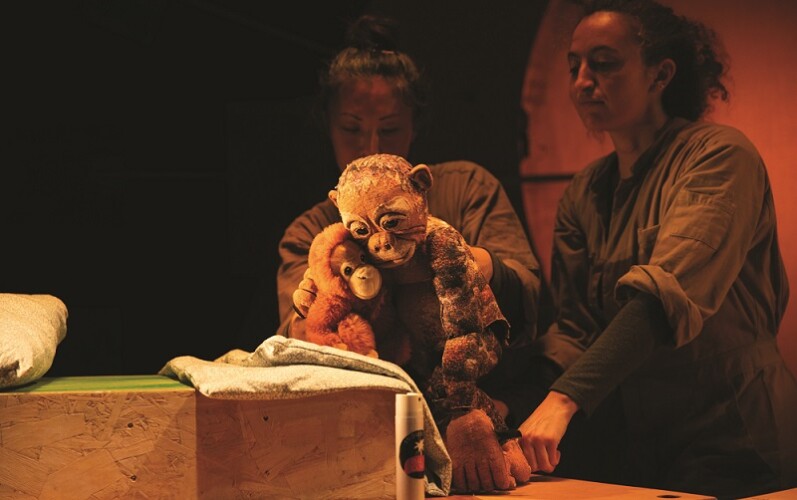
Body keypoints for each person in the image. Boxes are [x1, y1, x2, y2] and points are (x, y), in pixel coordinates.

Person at [517, 1, 797, 498]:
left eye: (604, 63)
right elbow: (576, 330)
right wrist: (508, 403)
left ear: (661, 74)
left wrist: (563, 400)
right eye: (574, 66)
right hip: (647, 442)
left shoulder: (719, 155)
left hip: (737, 432)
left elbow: (664, 295)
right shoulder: (585, 191)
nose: (583, 81)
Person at [275, 14, 549, 492]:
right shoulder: (313, 232)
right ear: (328, 127)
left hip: (479, 416)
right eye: (352, 129)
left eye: (389, 129)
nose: (370, 147)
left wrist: (463, 263)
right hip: (368, 438)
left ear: (415, 129)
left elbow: (529, 290)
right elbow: (299, 336)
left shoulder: (467, 187)